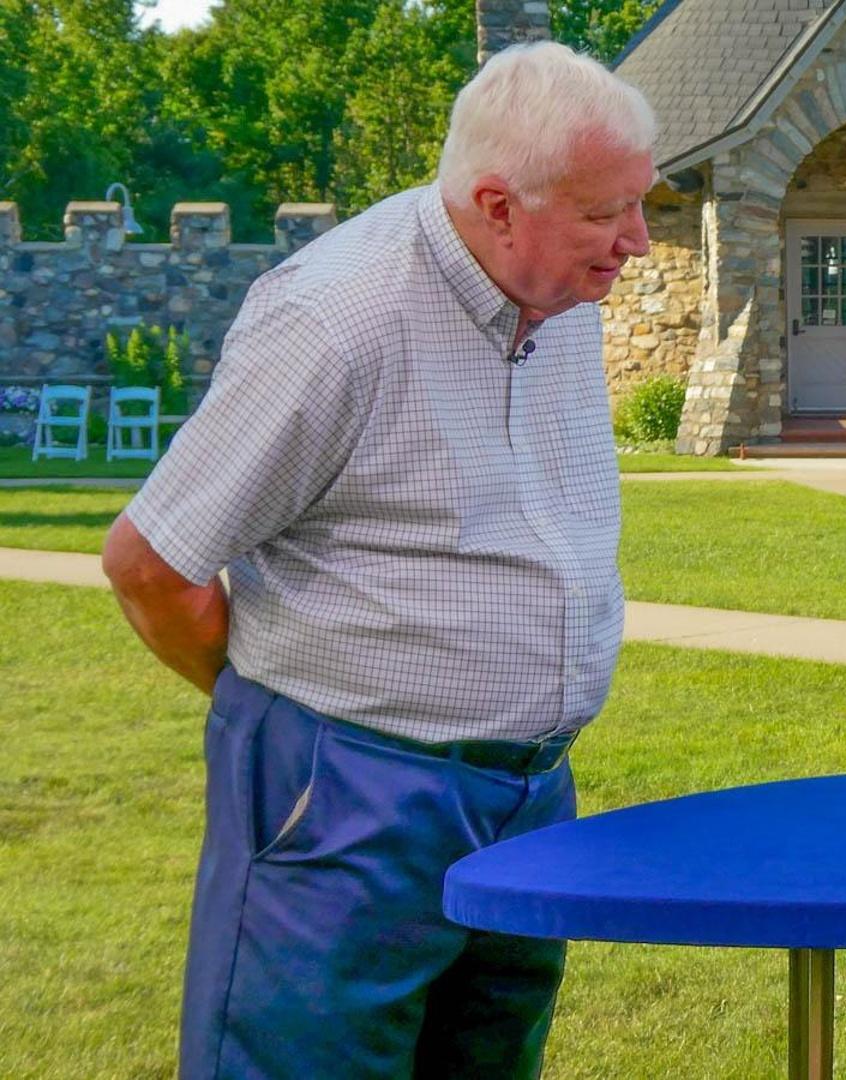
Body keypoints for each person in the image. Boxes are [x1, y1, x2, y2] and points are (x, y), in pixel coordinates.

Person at [100, 42, 656, 1079]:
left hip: (529, 798)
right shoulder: (336, 318)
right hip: (347, 798)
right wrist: (290, 724)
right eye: (605, 213)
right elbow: (150, 563)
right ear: (498, 204)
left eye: (640, 202)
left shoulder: (562, 290)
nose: (637, 241)